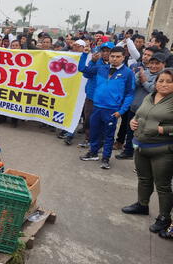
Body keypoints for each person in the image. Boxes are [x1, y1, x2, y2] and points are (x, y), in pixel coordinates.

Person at [121, 68, 173, 239]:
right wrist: (133, 121)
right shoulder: (149, 96)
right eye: (160, 80)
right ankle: (142, 205)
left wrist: (162, 129)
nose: (163, 84)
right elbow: (140, 114)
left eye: (168, 81)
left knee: (163, 185)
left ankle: (164, 217)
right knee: (144, 179)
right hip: (141, 146)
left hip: (162, 150)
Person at [79, 46, 135, 169]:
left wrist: (121, 111)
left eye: (118, 56)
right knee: (94, 132)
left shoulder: (128, 73)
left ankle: (106, 158)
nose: (114, 59)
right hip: (97, 107)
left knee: (109, 135)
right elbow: (82, 69)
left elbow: (130, 93)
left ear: (123, 57)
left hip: (112, 110)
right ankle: (93, 153)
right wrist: (85, 54)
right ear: (108, 57)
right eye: (112, 56)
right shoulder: (101, 68)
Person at [115, 53, 167, 160]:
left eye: (157, 63)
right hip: (134, 108)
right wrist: (140, 78)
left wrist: (144, 81)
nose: (153, 66)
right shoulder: (144, 72)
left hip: (150, 112)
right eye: (151, 63)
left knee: (145, 135)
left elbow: (154, 89)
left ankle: (143, 158)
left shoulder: (164, 77)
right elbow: (132, 85)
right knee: (130, 132)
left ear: (163, 64)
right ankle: (128, 151)